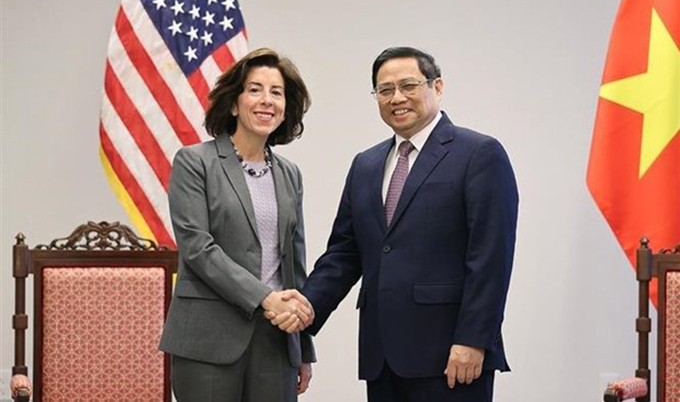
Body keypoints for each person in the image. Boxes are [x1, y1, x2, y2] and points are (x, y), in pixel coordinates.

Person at [268, 46, 518, 401]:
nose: (396, 97)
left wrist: (473, 339)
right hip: (382, 357)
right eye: (385, 90)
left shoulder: (479, 154)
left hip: (451, 356)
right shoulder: (366, 165)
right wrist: (306, 307)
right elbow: (344, 253)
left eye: (408, 85)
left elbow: (491, 259)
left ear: (438, 87)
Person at [159, 47, 316, 402]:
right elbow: (198, 249)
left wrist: (302, 349)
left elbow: (294, 263)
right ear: (234, 103)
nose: (267, 101)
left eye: (277, 93)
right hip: (208, 340)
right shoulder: (194, 162)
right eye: (255, 89)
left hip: (276, 339)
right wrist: (265, 298)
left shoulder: (290, 174)